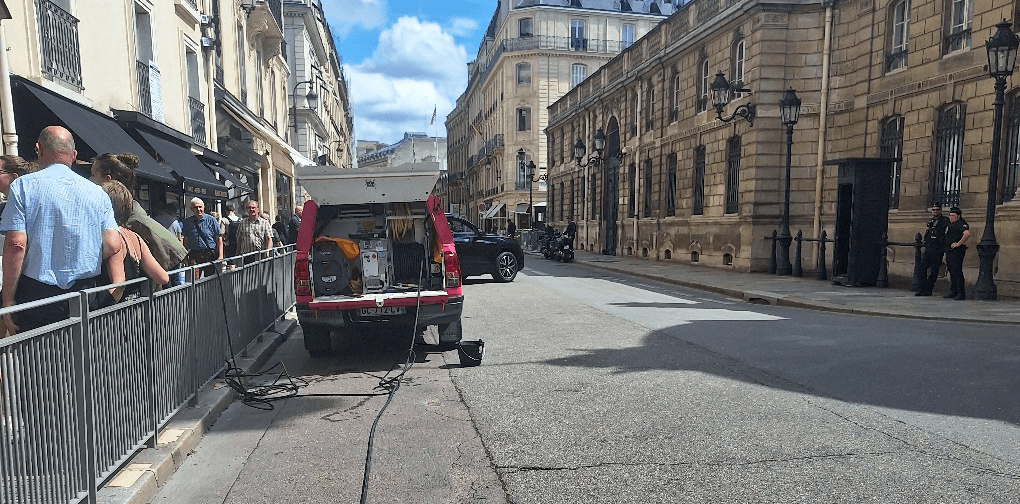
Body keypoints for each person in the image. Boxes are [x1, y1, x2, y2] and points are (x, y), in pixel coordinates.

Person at [0, 126, 121, 334]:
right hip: (84, 292)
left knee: (37, 361)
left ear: (39, 149)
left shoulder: (22, 186)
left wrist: (9, 300)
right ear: (74, 155)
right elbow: (112, 243)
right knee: (81, 358)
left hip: (36, 294)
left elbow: (16, 244)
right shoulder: (98, 194)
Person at [90, 153, 188, 276]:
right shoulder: (132, 208)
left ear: (107, 180)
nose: (89, 179)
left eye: (93, 175)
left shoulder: (128, 214)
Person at [97, 181, 169, 306]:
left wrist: (96, 311)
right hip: (136, 310)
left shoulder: (113, 237)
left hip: (117, 317)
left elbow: (119, 285)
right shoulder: (135, 236)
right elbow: (162, 277)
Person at [181, 197, 222, 278]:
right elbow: (185, 240)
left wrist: (220, 256)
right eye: (195, 207)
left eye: (200, 207)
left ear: (204, 207)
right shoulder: (187, 222)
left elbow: (219, 239)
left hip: (209, 255)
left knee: (209, 280)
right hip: (194, 255)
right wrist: (184, 257)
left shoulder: (211, 220)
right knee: (194, 281)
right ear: (191, 209)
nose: (198, 209)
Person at [915, 205, 950, 296]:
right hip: (928, 248)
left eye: (937, 210)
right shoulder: (931, 221)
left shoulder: (945, 221)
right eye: (933, 210)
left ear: (940, 211)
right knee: (922, 268)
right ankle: (921, 288)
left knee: (934, 271)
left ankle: (928, 289)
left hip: (937, 249)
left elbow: (946, 234)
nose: (935, 211)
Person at [943, 206, 970, 300]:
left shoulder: (961, 224)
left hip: (956, 252)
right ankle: (953, 291)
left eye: (953, 216)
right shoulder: (950, 225)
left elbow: (966, 233)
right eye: (950, 215)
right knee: (952, 271)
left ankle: (961, 293)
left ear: (958, 216)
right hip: (949, 251)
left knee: (957, 271)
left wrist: (958, 243)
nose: (951, 217)